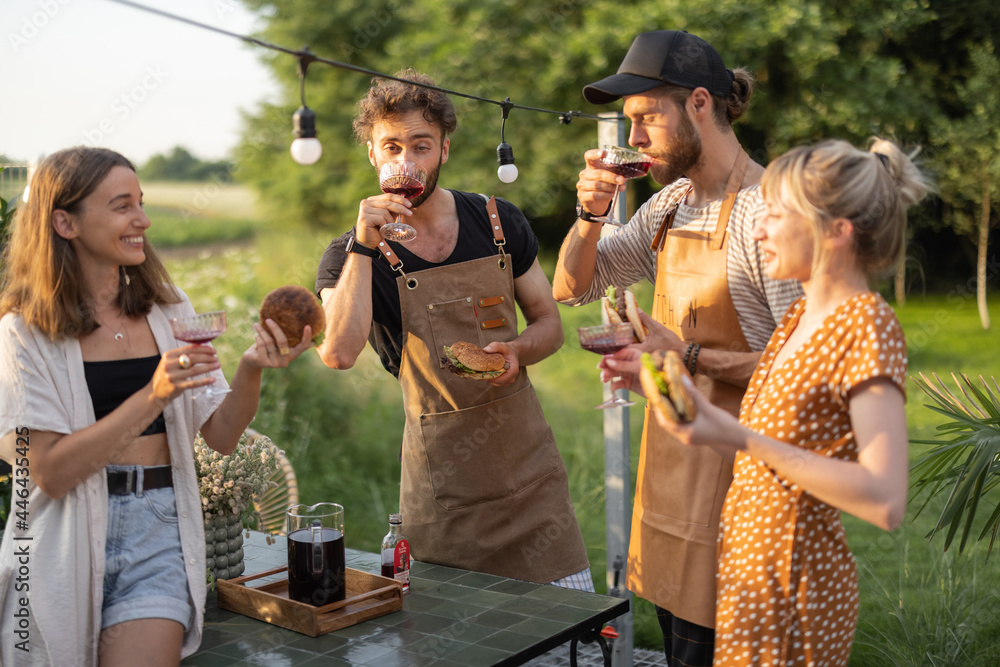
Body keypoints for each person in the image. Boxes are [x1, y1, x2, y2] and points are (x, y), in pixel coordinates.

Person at [609, 137, 926, 665]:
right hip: (748, 578)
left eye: (775, 215)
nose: (758, 229)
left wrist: (736, 434)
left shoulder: (867, 323)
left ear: (837, 232)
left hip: (796, 586)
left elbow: (885, 500)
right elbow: (762, 443)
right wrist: (663, 390)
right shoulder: (798, 322)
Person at [0, 147, 314, 666]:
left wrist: (251, 368)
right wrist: (154, 395)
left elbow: (219, 435)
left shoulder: (169, 309)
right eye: (123, 206)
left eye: (141, 203)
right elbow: (50, 473)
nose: (142, 220)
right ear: (65, 222)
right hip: (61, 539)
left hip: (158, 529)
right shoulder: (22, 334)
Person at [552, 30, 803, 663]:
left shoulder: (770, 213)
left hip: (743, 487)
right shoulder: (669, 204)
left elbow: (800, 371)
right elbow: (572, 288)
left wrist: (683, 355)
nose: (632, 139)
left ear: (697, 103)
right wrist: (589, 215)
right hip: (669, 477)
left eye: (645, 118)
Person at [315, 69, 591, 590]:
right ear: (372, 154)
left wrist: (518, 351)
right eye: (391, 147)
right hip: (444, 495)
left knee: (564, 632)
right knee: (456, 640)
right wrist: (363, 247)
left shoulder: (499, 220)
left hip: (532, 481)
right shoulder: (350, 255)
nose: (405, 163)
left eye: (420, 146)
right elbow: (338, 352)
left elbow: (549, 322)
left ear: (444, 148)